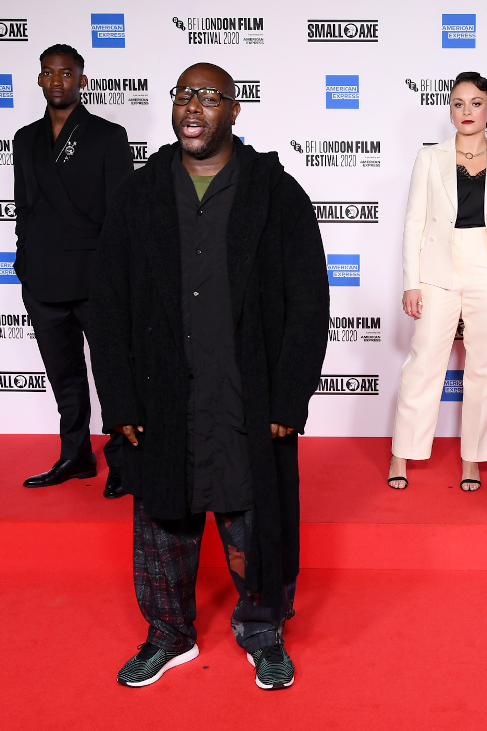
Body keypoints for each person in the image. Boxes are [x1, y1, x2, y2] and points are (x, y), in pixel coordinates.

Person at [89, 63, 329, 689]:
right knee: (162, 522)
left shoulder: (277, 194)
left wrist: (289, 397)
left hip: (248, 397)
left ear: (234, 109)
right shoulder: (140, 195)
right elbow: (106, 304)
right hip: (162, 395)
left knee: (255, 517)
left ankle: (264, 634)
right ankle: (168, 634)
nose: (193, 107)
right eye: (183, 95)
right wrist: (119, 400)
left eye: (209, 96)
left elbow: (309, 302)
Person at [387, 72, 487, 492]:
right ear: (450, 112)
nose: (467, 111)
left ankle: (474, 458)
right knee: (424, 362)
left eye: (475, 103)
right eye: (458, 103)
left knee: (486, 367)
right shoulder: (429, 158)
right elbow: (413, 223)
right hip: (438, 266)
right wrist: (411, 282)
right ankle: (402, 452)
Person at [13, 44, 132, 498]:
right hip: (42, 278)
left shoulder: (108, 135)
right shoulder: (25, 138)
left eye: (66, 73)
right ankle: (75, 454)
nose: (57, 80)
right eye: (49, 72)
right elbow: (23, 207)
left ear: (82, 80)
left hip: (94, 276)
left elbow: (121, 214)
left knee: (113, 373)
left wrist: (116, 274)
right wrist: (24, 261)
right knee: (63, 376)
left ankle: (123, 461)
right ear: (39, 79)